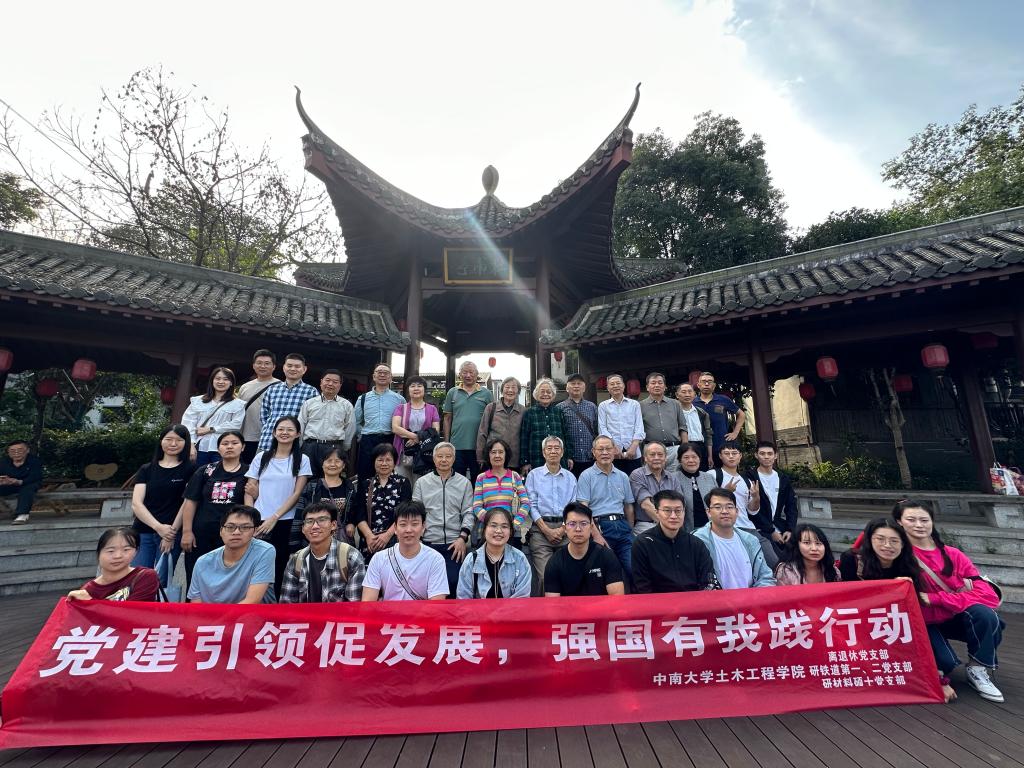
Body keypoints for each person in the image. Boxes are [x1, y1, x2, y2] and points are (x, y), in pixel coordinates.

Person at [894, 499, 1006, 704]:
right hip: (924, 623)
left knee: (988, 617)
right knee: (946, 664)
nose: (918, 525)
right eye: (911, 519)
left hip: (953, 617)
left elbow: (988, 595)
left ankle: (977, 668)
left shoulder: (953, 555)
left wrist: (936, 598)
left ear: (932, 521)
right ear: (899, 522)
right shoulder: (899, 555)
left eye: (924, 520)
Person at [246, 416, 312, 593]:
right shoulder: (261, 457)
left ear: (298, 434)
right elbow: (249, 489)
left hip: (285, 520)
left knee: (280, 565)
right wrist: (251, 519)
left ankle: (276, 605)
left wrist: (275, 517)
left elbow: (297, 493)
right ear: (274, 433)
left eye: (290, 430)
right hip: (259, 520)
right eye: (281, 429)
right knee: (255, 566)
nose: (285, 433)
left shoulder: (302, 459)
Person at [178, 430, 249, 582]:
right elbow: (190, 501)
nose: (229, 446)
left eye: (234, 443)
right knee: (197, 578)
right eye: (225, 443)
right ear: (218, 449)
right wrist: (187, 531)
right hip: (201, 534)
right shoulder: (205, 470)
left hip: (233, 534)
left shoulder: (249, 472)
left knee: (228, 579)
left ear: (243, 447)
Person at [700, 441, 777, 569]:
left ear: (740, 456)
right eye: (727, 453)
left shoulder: (746, 481)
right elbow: (707, 502)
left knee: (772, 561)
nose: (731, 456)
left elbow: (752, 510)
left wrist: (756, 497)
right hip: (723, 528)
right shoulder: (712, 475)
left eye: (734, 453)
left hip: (748, 528)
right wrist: (726, 492)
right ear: (720, 456)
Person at [413, 441, 475, 596]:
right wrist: (419, 539)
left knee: (454, 583)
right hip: (428, 543)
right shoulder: (421, 483)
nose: (444, 460)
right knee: (425, 586)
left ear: (454, 459)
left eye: (448, 456)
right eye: (440, 456)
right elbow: (416, 513)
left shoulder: (464, 483)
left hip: (454, 544)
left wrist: (462, 538)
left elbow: (469, 512)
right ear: (434, 459)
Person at [130, 425, 195, 568]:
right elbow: (137, 504)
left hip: (172, 532)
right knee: (138, 576)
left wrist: (171, 533)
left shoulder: (191, 469)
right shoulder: (146, 469)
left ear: (186, 443)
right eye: (168, 439)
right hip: (143, 531)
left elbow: (187, 503)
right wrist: (158, 527)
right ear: (161, 441)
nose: (173, 444)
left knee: (162, 578)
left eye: (179, 440)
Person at [576, 435, 635, 586]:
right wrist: (595, 534)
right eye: (600, 449)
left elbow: (628, 506)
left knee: (634, 569)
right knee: (605, 574)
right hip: (600, 527)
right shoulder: (586, 476)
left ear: (615, 450)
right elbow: (583, 508)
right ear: (593, 452)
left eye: (608, 448)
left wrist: (630, 529)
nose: (605, 452)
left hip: (622, 526)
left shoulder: (622, 476)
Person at [632, 490, 718, 593]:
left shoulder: (696, 543)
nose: (673, 516)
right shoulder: (643, 543)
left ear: (684, 512)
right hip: (658, 601)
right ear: (657, 512)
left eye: (678, 510)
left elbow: (708, 581)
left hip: (694, 600)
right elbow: (642, 586)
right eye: (667, 510)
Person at [279, 501, 366, 603]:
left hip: (341, 614)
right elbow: (287, 604)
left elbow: (354, 606)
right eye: (309, 521)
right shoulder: (296, 560)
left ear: (333, 525)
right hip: (304, 614)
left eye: (322, 520)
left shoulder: (351, 557)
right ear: (303, 529)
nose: (315, 526)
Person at [361, 500, 449, 601]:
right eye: (403, 524)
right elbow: (368, 602)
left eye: (414, 524)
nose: (408, 530)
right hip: (389, 611)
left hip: (423, 612)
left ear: (423, 527)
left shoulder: (435, 560)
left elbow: (436, 605)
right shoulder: (379, 559)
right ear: (395, 528)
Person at [188, 505, 276, 604]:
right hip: (213, 614)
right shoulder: (202, 562)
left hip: (252, 612)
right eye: (230, 527)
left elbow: (252, 601)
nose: (236, 532)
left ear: (255, 531)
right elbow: (196, 605)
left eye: (245, 527)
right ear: (221, 531)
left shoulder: (264, 551)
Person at [693, 487, 775, 589]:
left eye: (729, 507)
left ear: (737, 511)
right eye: (718, 507)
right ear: (708, 512)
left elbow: (765, 576)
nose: (725, 511)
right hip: (716, 599)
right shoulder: (697, 541)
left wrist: (756, 597)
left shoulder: (750, 540)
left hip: (751, 598)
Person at [525, 436, 577, 593]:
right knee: (545, 576)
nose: (553, 451)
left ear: (562, 452)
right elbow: (531, 506)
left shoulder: (570, 477)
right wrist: (546, 530)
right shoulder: (533, 475)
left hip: (566, 530)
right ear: (543, 452)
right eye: (549, 448)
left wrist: (562, 529)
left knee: (570, 575)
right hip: (540, 530)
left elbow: (573, 507)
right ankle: (546, 608)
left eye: (557, 448)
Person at [543, 502, 625, 597]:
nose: (578, 529)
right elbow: (552, 603)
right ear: (565, 528)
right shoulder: (555, 562)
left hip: (602, 607)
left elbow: (617, 599)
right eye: (572, 524)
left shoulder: (607, 556)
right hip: (568, 607)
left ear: (591, 527)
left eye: (583, 524)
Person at [352, 443, 412, 561]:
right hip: (370, 543)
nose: (384, 463)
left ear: (394, 462)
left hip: (395, 540)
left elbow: (405, 513)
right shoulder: (366, 484)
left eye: (388, 460)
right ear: (374, 462)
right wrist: (369, 536)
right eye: (380, 460)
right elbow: (359, 513)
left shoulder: (403, 483)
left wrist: (387, 536)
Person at [67, 527, 160, 601]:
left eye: (126, 550)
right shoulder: (87, 590)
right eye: (111, 551)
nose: (118, 556)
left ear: (136, 551)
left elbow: (133, 613)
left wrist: (90, 602)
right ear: (99, 554)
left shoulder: (145, 576)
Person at [457, 507, 532, 598]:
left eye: (504, 526)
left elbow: (522, 598)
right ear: (484, 529)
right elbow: (463, 598)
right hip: (479, 608)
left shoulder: (520, 559)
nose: (498, 531)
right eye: (493, 525)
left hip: (512, 608)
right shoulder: (471, 560)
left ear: (510, 531)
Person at [745, 441, 799, 560]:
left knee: (796, 552)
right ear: (756, 455)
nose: (766, 457)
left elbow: (791, 505)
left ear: (775, 456)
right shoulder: (749, 477)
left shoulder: (782, 478)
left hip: (779, 525)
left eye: (770, 453)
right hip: (758, 527)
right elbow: (751, 509)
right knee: (776, 559)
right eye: (762, 453)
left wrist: (790, 529)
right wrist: (771, 531)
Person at [181, 367, 245, 466]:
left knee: (219, 474)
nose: (221, 382)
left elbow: (236, 424)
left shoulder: (238, 404)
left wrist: (211, 429)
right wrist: (191, 445)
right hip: (199, 447)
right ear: (212, 381)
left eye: (225, 379)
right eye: (217, 378)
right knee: (197, 474)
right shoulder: (198, 401)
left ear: (231, 383)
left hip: (223, 448)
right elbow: (188, 423)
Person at [472, 438, 530, 547]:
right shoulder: (481, 478)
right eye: (493, 452)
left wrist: (513, 524)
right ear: (488, 455)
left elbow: (526, 503)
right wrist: (492, 523)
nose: (497, 455)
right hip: (487, 532)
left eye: (501, 452)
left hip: (512, 533)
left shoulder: (515, 476)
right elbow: (476, 506)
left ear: (506, 455)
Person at [298, 369, 355, 478]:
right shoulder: (309, 403)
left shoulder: (346, 405)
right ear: (321, 382)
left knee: (331, 479)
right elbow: (301, 424)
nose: (330, 384)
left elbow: (350, 428)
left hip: (334, 446)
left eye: (335, 382)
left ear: (340, 385)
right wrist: (300, 446)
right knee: (306, 478)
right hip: (310, 446)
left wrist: (343, 448)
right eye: (327, 380)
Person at [354, 363, 405, 482]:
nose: (382, 375)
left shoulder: (399, 399)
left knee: (389, 475)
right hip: (368, 440)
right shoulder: (363, 398)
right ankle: (365, 495)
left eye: (386, 373)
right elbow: (355, 421)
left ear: (391, 378)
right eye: (379, 372)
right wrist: (361, 436)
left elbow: (403, 422)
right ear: (374, 376)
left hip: (390, 439)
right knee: (365, 475)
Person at [443, 360, 493, 480]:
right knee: (457, 481)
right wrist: (447, 442)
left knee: (478, 480)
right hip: (457, 446)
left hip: (479, 446)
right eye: (465, 372)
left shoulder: (486, 394)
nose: (468, 375)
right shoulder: (452, 392)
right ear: (460, 374)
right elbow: (447, 418)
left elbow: (492, 419)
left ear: (477, 374)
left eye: (471, 372)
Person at [258, 353, 318, 453]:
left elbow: (312, 420)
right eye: (289, 366)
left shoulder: (311, 392)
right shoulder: (272, 389)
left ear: (304, 369)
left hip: (294, 445)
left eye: (297, 366)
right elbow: (264, 416)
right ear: (284, 367)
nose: (293, 369)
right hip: (267, 441)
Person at [838, 517, 923, 584]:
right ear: (869, 540)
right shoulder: (852, 559)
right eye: (880, 539)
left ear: (902, 544)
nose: (887, 545)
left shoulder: (909, 564)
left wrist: (907, 585)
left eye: (894, 541)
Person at [629, 441, 686, 536]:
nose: (656, 458)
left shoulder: (672, 478)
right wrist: (666, 525)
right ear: (645, 458)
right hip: (646, 524)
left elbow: (681, 504)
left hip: (673, 523)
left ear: (665, 458)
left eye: (660, 454)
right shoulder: (637, 475)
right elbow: (646, 505)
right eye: (652, 455)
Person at [391, 374, 441, 482]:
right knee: (402, 484)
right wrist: (416, 437)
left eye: (419, 386)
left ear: (424, 389)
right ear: (408, 389)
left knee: (421, 485)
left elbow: (435, 431)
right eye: (412, 386)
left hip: (424, 453)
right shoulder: (400, 408)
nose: (416, 388)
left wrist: (419, 438)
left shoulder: (432, 409)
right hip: (403, 451)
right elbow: (395, 427)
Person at [300, 446, 355, 542]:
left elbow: (355, 510)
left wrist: (352, 523)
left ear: (343, 465)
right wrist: (296, 543)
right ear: (322, 464)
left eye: (337, 461)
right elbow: (300, 513)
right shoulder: (312, 486)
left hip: (341, 540)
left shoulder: (349, 487)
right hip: (315, 538)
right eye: (329, 461)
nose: (333, 464)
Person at [520, 378, 572, 474]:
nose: (545, 394)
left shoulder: (558, 412)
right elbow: (524, 438)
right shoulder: (529, 413)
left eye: (548, 392)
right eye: (542, 391)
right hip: (536, 458)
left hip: (558, 458)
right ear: (536, 394)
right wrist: (525, 462)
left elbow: (566, 435)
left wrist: (569, 456)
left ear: (553, 395)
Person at [237, 349, 280, 464]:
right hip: (246, 437)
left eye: (267, 363)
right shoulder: (244, 387)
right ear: (253, 366)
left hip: (270, 437)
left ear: (274, 366)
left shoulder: (280, 387)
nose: (263, 366)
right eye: (259, 363)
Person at [597, 374, 644, 474]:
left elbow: (639, 426)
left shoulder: (634, 404)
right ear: (608, 388)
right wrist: (613, 446)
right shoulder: (603, 406)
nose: (615, 386)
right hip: (612, 452)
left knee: (635, 479)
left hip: (633, 451)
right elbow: (602, 428)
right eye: (612, 384)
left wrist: (634, 446)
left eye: (618, 383)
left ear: (623, 386)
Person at [694, 372, 745, 465]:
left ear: (714, 385)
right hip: (701, 446)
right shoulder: (693, 403)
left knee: (723, 472)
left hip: (722, 445)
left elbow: (741, 414)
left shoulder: (723, 399)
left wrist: (735, 433)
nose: (706, 384)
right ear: (698, 385)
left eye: (710, 381)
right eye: (704, 381)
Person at [477, 376, 525, 472]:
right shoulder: (491, 408)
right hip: (493, 459)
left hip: (515, 461)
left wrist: (525, 461)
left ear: (518, 391)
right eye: (507, 387)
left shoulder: (523, 411)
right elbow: (482, 433)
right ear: (502, 390)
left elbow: (525, 437)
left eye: (513, 387)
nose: (510, 390)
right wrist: (480, 457)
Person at [639, 372, 687, 466]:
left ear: (665, 387)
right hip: (651, 450)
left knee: (674, 475)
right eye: (653, 383)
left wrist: (685, 448)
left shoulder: (675, 403)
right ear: (647, 387)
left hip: (674, 449)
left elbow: (683, 426)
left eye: (660, 383)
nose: (657, 385)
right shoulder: (640, 406)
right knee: (652, 474)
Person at [557, 373, 599, 478]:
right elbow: (559, 434)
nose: (576, 386)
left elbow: (597, 430)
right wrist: (565, 455)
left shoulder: (592, 407)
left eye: (579, 383)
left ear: (584, 388)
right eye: (573, 383)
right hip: (570, 459)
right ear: (567, 388)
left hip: (590, 456)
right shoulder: (559, 407)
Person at [773, 523, 840, 585]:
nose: (814, 548)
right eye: (807, 543)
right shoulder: (786, 571)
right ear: (796, 545)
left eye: (818, 543)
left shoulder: (832, 570)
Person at [1, 439, 43, 525]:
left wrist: (19, 481)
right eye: (12, 451)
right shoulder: (3, 462)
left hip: (28, 483)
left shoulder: (34, 461)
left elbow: (35, 477)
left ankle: (23, 515)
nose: (16, 452)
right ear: (8, 453)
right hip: (9, 485)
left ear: (27, 450)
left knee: (27, 489)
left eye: (20, 450)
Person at [675, 382, 713, 470]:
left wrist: (710, 456)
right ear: (677, 395)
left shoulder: (702, 413)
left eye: (690, 391)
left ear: (694, 394)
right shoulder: (673, 413)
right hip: (681, 447)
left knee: (702, 474)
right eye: (683, 392)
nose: (687, 394)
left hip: (701, 447)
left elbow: (708, 435)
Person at [676, 443, 709, 529]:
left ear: (700, 459)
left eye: (694, 457)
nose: (691, 460)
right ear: (679, 460)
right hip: (686, 529)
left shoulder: (709, 477)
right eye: (686, 457)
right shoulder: (673, 479)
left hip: (711, 528)